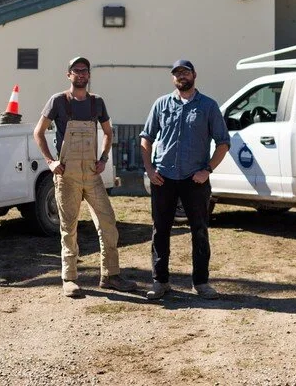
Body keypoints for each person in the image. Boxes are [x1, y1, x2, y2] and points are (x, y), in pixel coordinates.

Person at [34, 57, 137, 298]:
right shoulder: (58, 101)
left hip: (91, 174)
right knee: (69, 227)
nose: (81, 74)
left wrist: (103, 158)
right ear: (68, 74)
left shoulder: (97, 102)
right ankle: (69, 278)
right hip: (67, 174)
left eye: (84, 70)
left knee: (108, 222)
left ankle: (110, 276)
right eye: (76, 70)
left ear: (89, 75)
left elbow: (108, 132)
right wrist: (50, 162)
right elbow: (38, 132)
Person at [139, 59, 230, 300]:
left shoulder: (208, 106)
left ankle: (201, 283)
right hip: (163, 178)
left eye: (185, 72)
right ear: (173, 78)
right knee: (160, 230)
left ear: (194, 75)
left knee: (199, 230)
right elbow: (146, 137)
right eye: (177, 73)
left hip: (194, 179)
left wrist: (207, 170)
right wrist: (149, 169)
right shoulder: (161, 104)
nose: (181, 76)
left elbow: (223, 142)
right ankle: (160, 282)